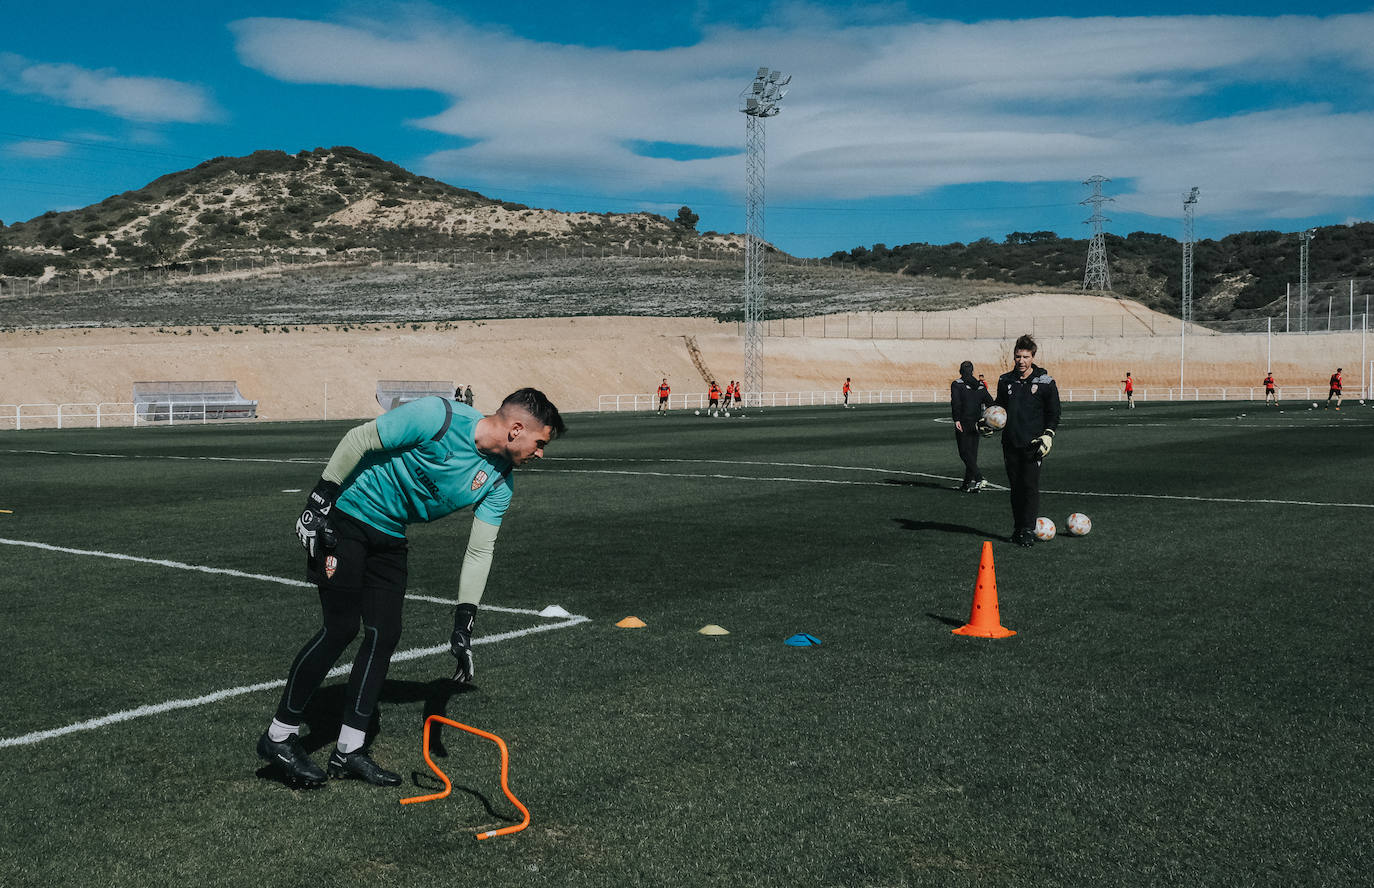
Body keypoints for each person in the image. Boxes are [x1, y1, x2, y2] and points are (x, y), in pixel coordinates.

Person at [256, 388, 565, 788]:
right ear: (516, 429)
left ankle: (348, 750)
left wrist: (464, 621)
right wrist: (320, 499)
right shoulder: (439, 417)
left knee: (385, 634)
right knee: (341, 627)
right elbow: (360, 438)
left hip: (390, 535)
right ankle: (278, 737)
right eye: (540, 443)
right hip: (347, 517)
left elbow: (479, 551)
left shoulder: (500, 483)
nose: (540, 453)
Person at [988, 334, 1061, 548]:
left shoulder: (1046, 382)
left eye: (1026, 357)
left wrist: (1048, 434)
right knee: (1015, 488)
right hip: (1010, 442)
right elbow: (999, 407)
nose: (1021, 361)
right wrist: (989, 423)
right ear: (1014, 356)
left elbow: (1054, 412)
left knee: (1029, 487)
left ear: (1033, 357)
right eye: (1018, 356)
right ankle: (1018, 528)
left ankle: (1028, 529)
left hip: (1034, 445)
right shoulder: (1005, 380)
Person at [951, 360, 994, 492]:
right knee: (972, 454)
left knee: (964, 452)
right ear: (973, 371)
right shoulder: (980, 386)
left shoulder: (957, 384)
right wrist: (989, 421)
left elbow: (956, 403)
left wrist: (956, 419)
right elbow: (990, 402)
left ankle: (979, 478)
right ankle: (966, 484)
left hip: (963, 422)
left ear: (960, 371)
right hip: (977, 423)